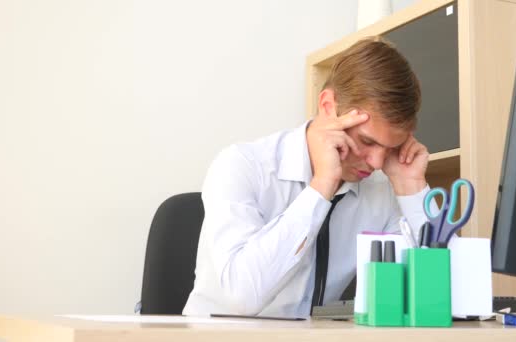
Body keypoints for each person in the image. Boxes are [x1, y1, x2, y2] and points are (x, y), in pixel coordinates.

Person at [183, 37, 435, 318]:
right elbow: (242, 298)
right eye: (367, 141)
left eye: (390, 148)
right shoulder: (242, 165)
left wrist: (412, 190)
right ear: (328, 106)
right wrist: (321, 187)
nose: (377, 163)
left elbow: (439, 300)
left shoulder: (382, 190)